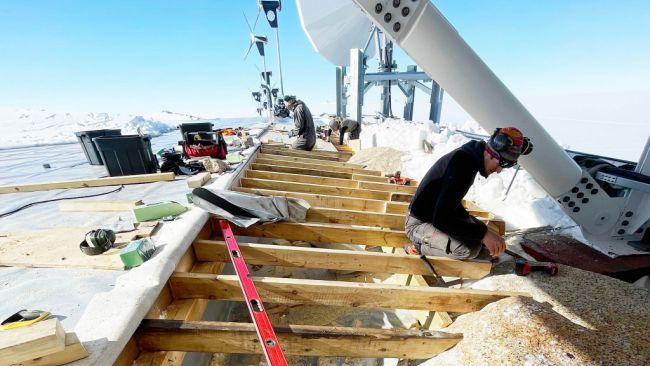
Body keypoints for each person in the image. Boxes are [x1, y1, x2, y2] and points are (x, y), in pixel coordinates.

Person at [404, 127, 533, 260]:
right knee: (467, 249)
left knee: (484, 242)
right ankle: (417, 247)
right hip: (419, 223)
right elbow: (441, 219)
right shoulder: (462, 165)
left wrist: (482, 231)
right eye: (502, 163)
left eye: (507, 165)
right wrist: (484, 234)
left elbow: (450, 203)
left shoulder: (468, 159)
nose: (499, 170)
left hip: (436, 216)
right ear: (490, 153)